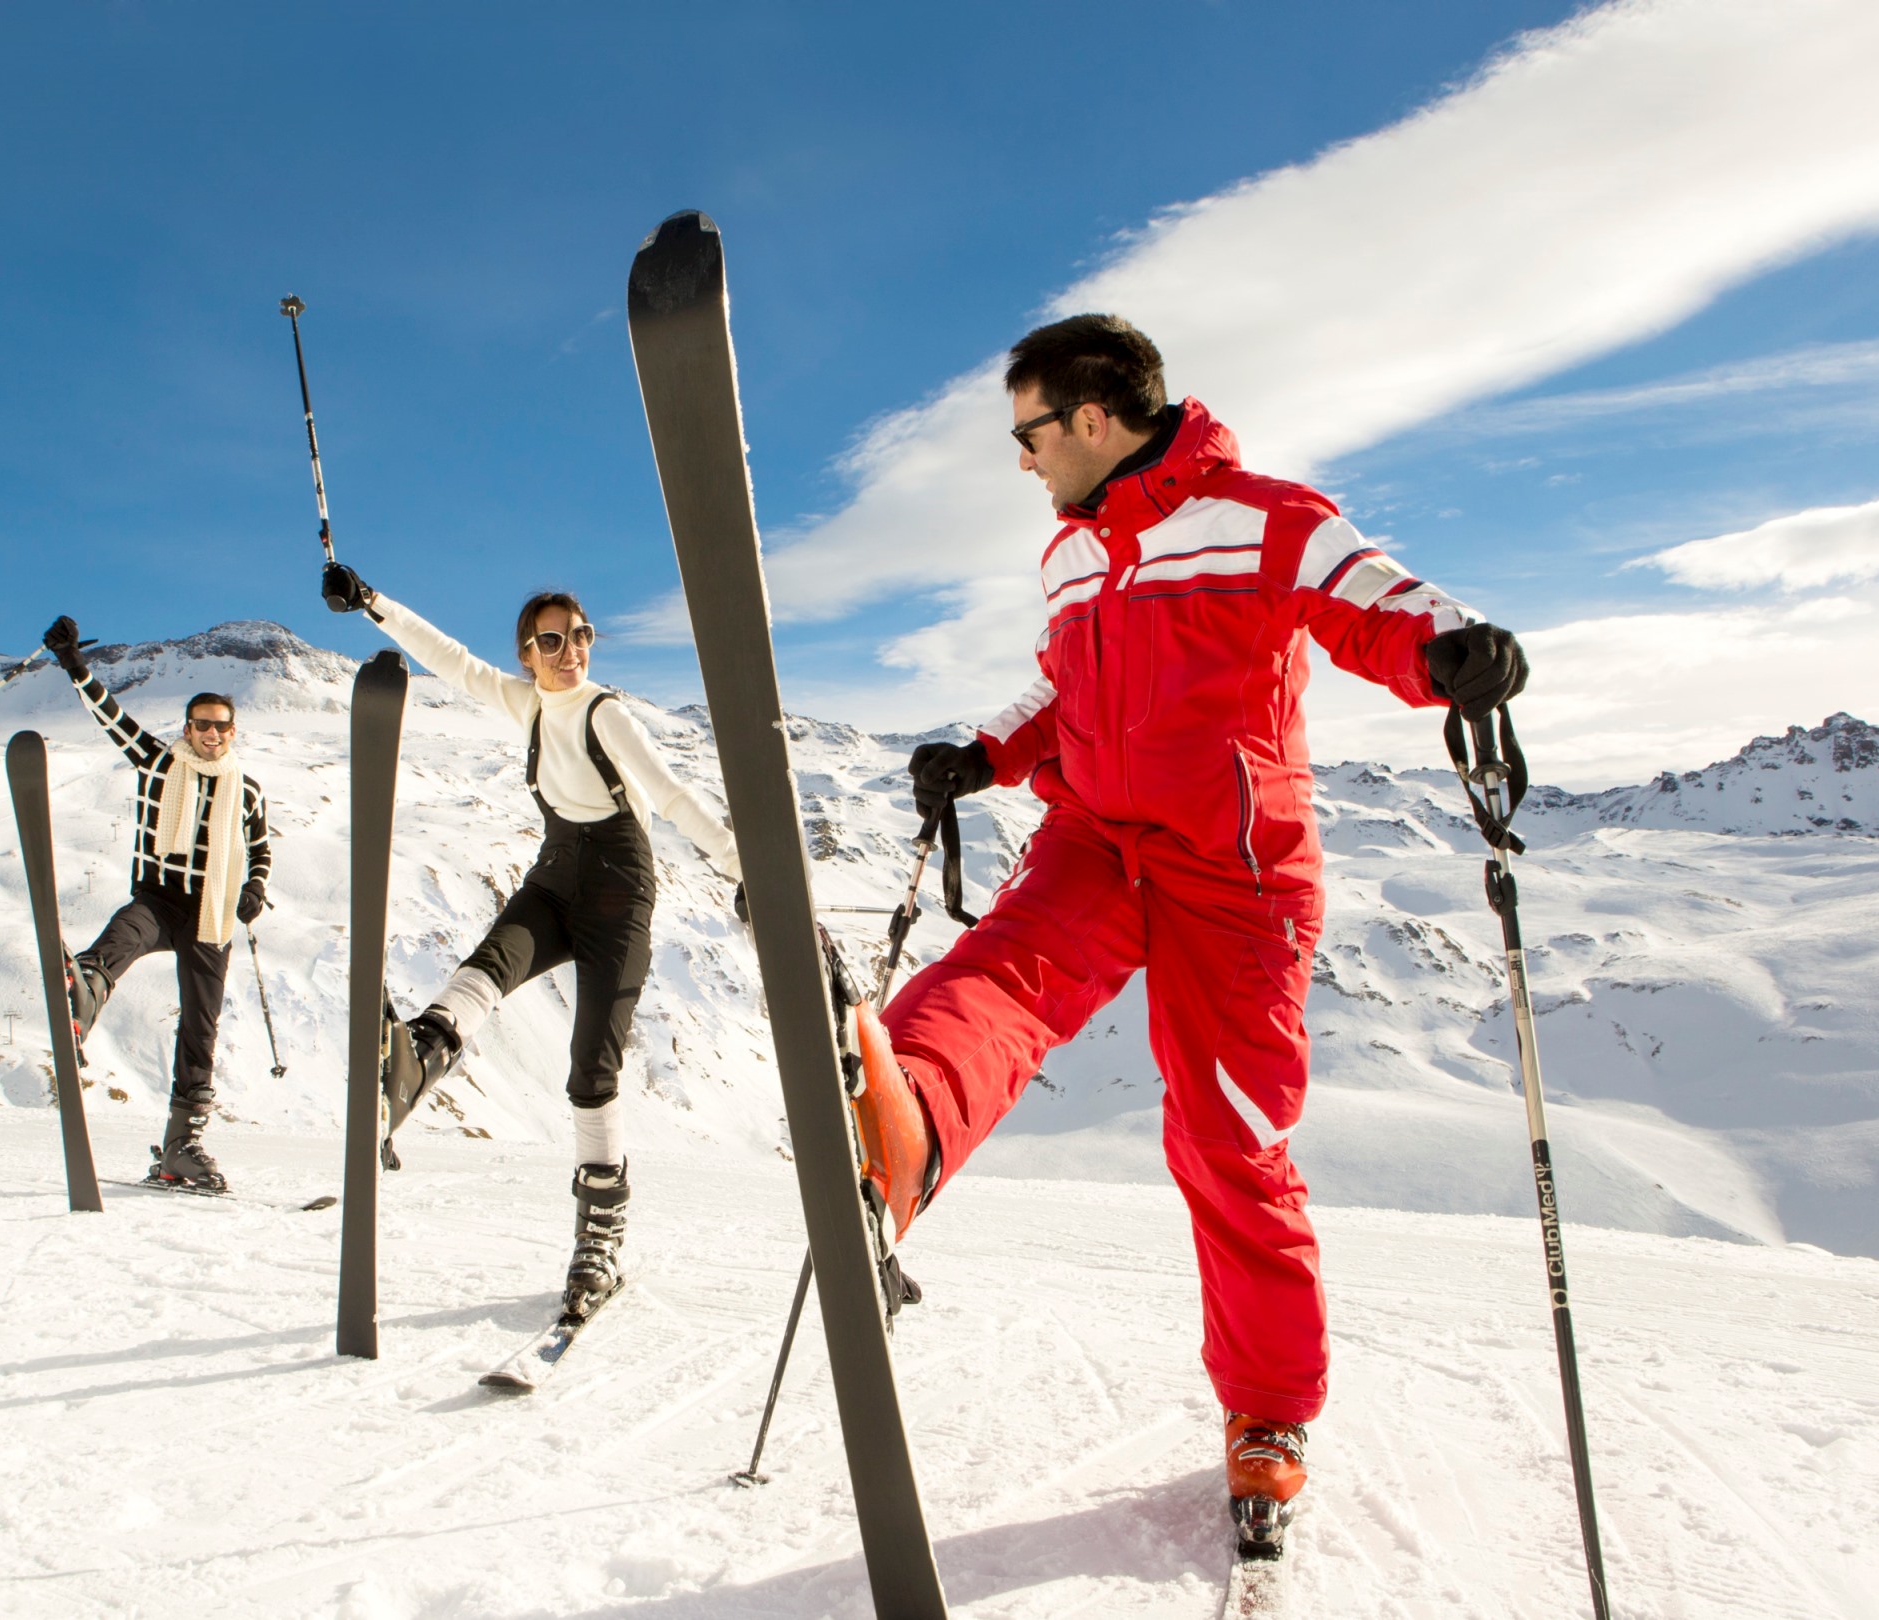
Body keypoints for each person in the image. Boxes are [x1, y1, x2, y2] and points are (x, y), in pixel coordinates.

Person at [848, 316, 1528, 1552]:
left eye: (1028, 433)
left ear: (1093, 421)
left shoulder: (1263, 516)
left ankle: (1268, 1415)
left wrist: (1450, 650)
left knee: (1229, 1141)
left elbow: (1375, 600)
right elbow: (1063, 685)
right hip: (1099, 836)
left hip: (1237, 873)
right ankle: (901, 1129)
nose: (1021, 460)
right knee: (1005, 968)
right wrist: (989, 751)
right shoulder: (1069, 557)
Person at [319, 564, 741, 1316]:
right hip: (555, 873)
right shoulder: (527, 705)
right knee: (490, 964)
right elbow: (448, 657)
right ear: (527, 652)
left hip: (619, 886)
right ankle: (416, 1061)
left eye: (579, 636)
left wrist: (744, 869)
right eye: (552, 640)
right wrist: (372, 603)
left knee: (591, 1069)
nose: (570, 650)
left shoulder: (603, 713)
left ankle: (598, 1237)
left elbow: (671, 794)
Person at [41, 615, 273, 1193]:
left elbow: (261, 848)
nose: (211, 735)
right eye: (202, 726)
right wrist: (74, 665)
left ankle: (181, 1146)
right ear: (188, 728)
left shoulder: (246, 790)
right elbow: (109, 717)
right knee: (126, 933)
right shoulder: (157, 762)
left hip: (212, 912)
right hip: (160, 897)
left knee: (201, 1026)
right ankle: (83, 993)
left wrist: (255, 889)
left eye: (220, 726)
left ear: (233, 731)